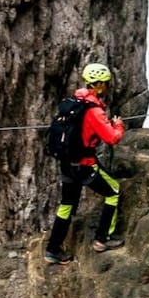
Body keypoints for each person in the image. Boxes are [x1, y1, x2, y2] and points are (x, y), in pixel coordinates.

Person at [45, 64, 126, 264]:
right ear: (98, 85)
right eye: (105, 84)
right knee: (113, 191)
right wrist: (118, 125)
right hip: (85, 164)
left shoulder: (73, 102)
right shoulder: (93, 111)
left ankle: (53, 250)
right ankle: (101, 239)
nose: (107, 86)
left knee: (66, 205)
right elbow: (112, 138)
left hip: (67, 163)